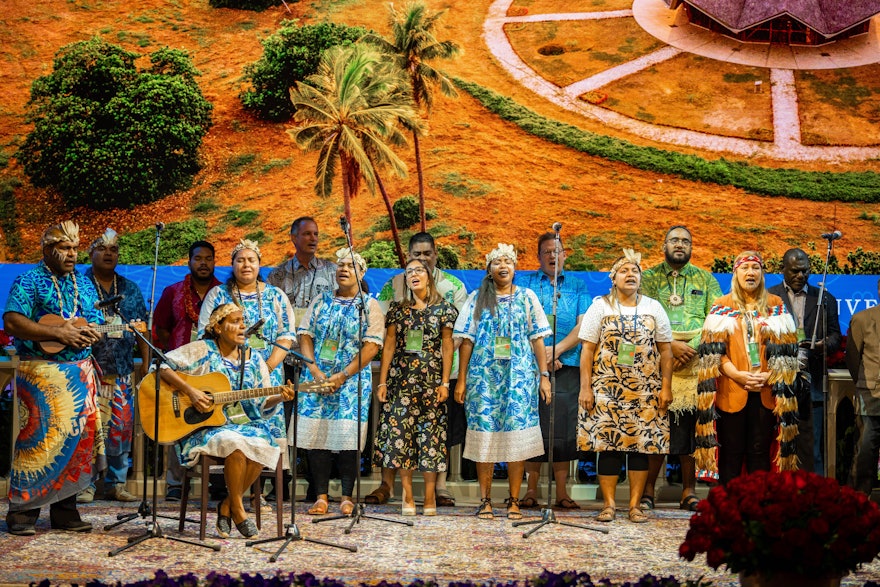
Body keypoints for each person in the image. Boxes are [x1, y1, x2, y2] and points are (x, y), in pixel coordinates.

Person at [157, 303, 293, 538]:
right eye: (234, 321)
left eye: (243, 321)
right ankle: (239, 511)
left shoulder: (254, 358)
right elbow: (162, 366)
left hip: (244, 424)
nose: (242, 326)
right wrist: (191, 391)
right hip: (206, 426)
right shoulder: (201, 349)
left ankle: (228, 505)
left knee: (263, 444)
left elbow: (262, 401)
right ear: (218, 328)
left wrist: (279, 396)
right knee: (235, 444)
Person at [3, 221, 104, 535]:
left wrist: (94, 333)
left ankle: (65, 512)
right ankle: (22, 513)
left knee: (77, 443)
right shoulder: (29, 281)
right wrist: (55, 331)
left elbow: (97, 321)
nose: (72, 254)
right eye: (65, 248)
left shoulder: (84, 284)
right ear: (47, 249)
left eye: (75, 248)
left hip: (80, 374)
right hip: (41, 374)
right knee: (39, 443)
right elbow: (12, 321)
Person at [453, 243, 552, 521]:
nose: (503, 266)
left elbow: (538, 338)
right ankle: (485, 500)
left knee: (516, 439)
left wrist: (544, 377)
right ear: (489, 269)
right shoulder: (477, 298)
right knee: (485, 436)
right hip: (483, 379)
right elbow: (466, 341)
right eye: (498, 262)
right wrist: (461, 380)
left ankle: (513, 500)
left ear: (516, 267)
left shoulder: (527, 297)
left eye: (508, 261)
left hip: (519, 379)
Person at [371, 232, 468, 507]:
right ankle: (387, 486)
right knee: (398, 433)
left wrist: (439, 366)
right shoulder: (395, 285)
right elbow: (385, 330)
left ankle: (439, 488)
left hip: (438, 375)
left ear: (435, 254)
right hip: (402, 377)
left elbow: (458, 333)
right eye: (416, 255)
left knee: (434, 434)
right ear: (408, 256)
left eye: (427, 254)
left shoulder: (453, 286)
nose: (421, 259)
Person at [577, 248, 673, 523]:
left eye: (635, 271)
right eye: (624, 271)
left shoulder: (653, 307)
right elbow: (587, 350)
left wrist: (666, 387)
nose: (630, 275)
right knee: (608, 447)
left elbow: (666, 352)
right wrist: (586, 388)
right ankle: (608, 505)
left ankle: (634, 506)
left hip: (645, 390)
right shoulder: (600, 306)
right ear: (613, 278)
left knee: (640, 446)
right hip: (607, 389)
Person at [695, 251, 800, 484]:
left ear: (762, 274)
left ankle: (758, 505)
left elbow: (788, 350)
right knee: (731, 452)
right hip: (732, 390)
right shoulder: (721, 306)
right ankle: (728, 507)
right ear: (736, 273)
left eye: (755, 267)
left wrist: (768, 375)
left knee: (760, 451)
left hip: (765, 391)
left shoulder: (776, 304)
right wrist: (737, 375)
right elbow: (712, 354)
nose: (750, 272)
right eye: (745, 268)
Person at [295, 248, 384, 516]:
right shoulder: (320, 301)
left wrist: (343, 374)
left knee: (348, 439)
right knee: (316, 437)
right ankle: (321, 496)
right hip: (317, 378)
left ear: (361, 273)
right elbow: (305, 334)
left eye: (350, 266)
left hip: (351, 381)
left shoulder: (369, 306)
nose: (343, 269)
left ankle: (347, 497)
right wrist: (313, 369)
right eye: (340, 265)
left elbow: (372, 346)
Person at [640, 226, 722, 511]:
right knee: (657, 426)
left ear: (691, 247)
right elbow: (642, 315)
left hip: (696, 360)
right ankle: (647, 490)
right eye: (674, 240)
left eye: (685, 241)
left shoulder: (706, 278)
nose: (680, 245)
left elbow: (717, 317)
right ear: (664, 245)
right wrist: (670, 346)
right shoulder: (647, 278)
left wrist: (693, 347)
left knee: (690, 429)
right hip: (656, 357)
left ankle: (689, 491)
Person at [514, 232, 591, 510]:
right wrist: (540, 357)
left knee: (563, 429)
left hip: (567, 363)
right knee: (532, 425)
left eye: (556, 251)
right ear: (538, 257)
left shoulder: (579, 286)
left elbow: (583, 326)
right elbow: (516, 321)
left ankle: (562, 491)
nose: (551, 256)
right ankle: (531, 490)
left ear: (564, 254)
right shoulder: (524, 283)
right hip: (529, 366)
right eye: (546, 251)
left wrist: (554, 351)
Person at [266, 217, 336, 502]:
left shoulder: (332, 272)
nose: (313, 238)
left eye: (316, 234)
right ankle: (279, 481)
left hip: (317, 363)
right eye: (307, 234)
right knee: (280, 422)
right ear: (293, 238)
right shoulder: (277, 276)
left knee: (313, 424)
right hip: (283, 361)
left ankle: (315, 484)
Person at [79, 228, 150, 503]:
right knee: (89, 428)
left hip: (121, 372)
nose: (109, 253)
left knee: (120, 427)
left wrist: (145, 364)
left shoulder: (130, 289)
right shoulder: (79, 284)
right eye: (102, 248)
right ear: (90, 253)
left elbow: (142, 329)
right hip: (86, 372)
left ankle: (116, 483)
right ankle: (85, 485)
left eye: (114, 250)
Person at [153, 240, 221, 501]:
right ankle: (174, 485)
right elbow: (161, 328)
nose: (203, 263)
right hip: (179, 368)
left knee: (214, 423)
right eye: (198, 258)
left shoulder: (223, 293)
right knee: (176, 424)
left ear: (215, 262)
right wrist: (177, 350)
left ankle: (216, 485)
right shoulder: (173, 292)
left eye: (208, 258)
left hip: (213, 369)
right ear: (189, 262)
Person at [768, 248, 841, 474]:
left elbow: (835, 336)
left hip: (814, 383)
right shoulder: (770, 297)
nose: (800, 276)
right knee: (780, 446)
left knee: (813, 449)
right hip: (778, 383)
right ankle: (781, 494)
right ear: (783, 270)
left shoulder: (824, 299)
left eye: (805, 271)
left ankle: (814, 499)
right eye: (795, 271)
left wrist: (822, 346)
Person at [199, 239, 296, 386]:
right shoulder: (217, 294)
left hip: (269, 377)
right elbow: (204, 335)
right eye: (240, 260)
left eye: (251, 260)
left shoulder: (276, 295)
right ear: (232, 265)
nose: (246, 265)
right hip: (226, 376)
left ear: (259, 264)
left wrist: (266, 369)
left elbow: (286, 336)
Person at [846, 279, 880, 495]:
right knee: (866, 451)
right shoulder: (862, 319)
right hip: (871, 397)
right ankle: (857, 502)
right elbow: (852, 359)